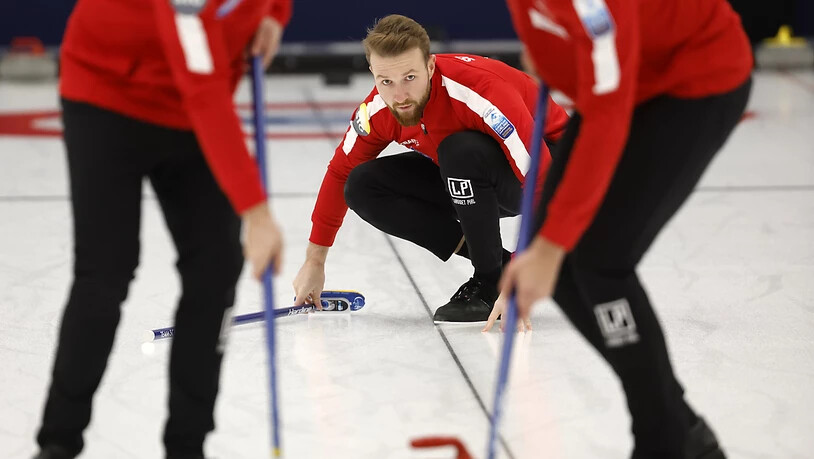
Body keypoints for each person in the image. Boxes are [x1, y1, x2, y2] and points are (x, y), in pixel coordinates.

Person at [487, 0, 753, 458]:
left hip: (694, 81)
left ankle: (663, 442)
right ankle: (679, 427)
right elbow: (572, 73)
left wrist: (551, 247)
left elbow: (606, 112)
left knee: (599, 262)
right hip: (624, 81)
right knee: (563, 266)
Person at [33, 0, 291, 458]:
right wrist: (255, 211)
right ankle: (59, 441)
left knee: (215, 268)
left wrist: (275, 13)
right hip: (108, 93)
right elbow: (204, 91)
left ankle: (186, 446)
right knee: (105, 269)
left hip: (193, 103)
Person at [292, 14, 569, 324]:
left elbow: (542, 182)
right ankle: (499, 265)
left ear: (430, 66)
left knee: (459, 151)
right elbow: (340, 171)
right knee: (362, 185)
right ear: (373, 74)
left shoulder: (480, 93)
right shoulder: (379, 110)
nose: (399, 96)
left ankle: (490, 281)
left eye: (410, 78)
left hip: (556, 169)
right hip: (468, 173)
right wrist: (314, 261)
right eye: (386, 81)